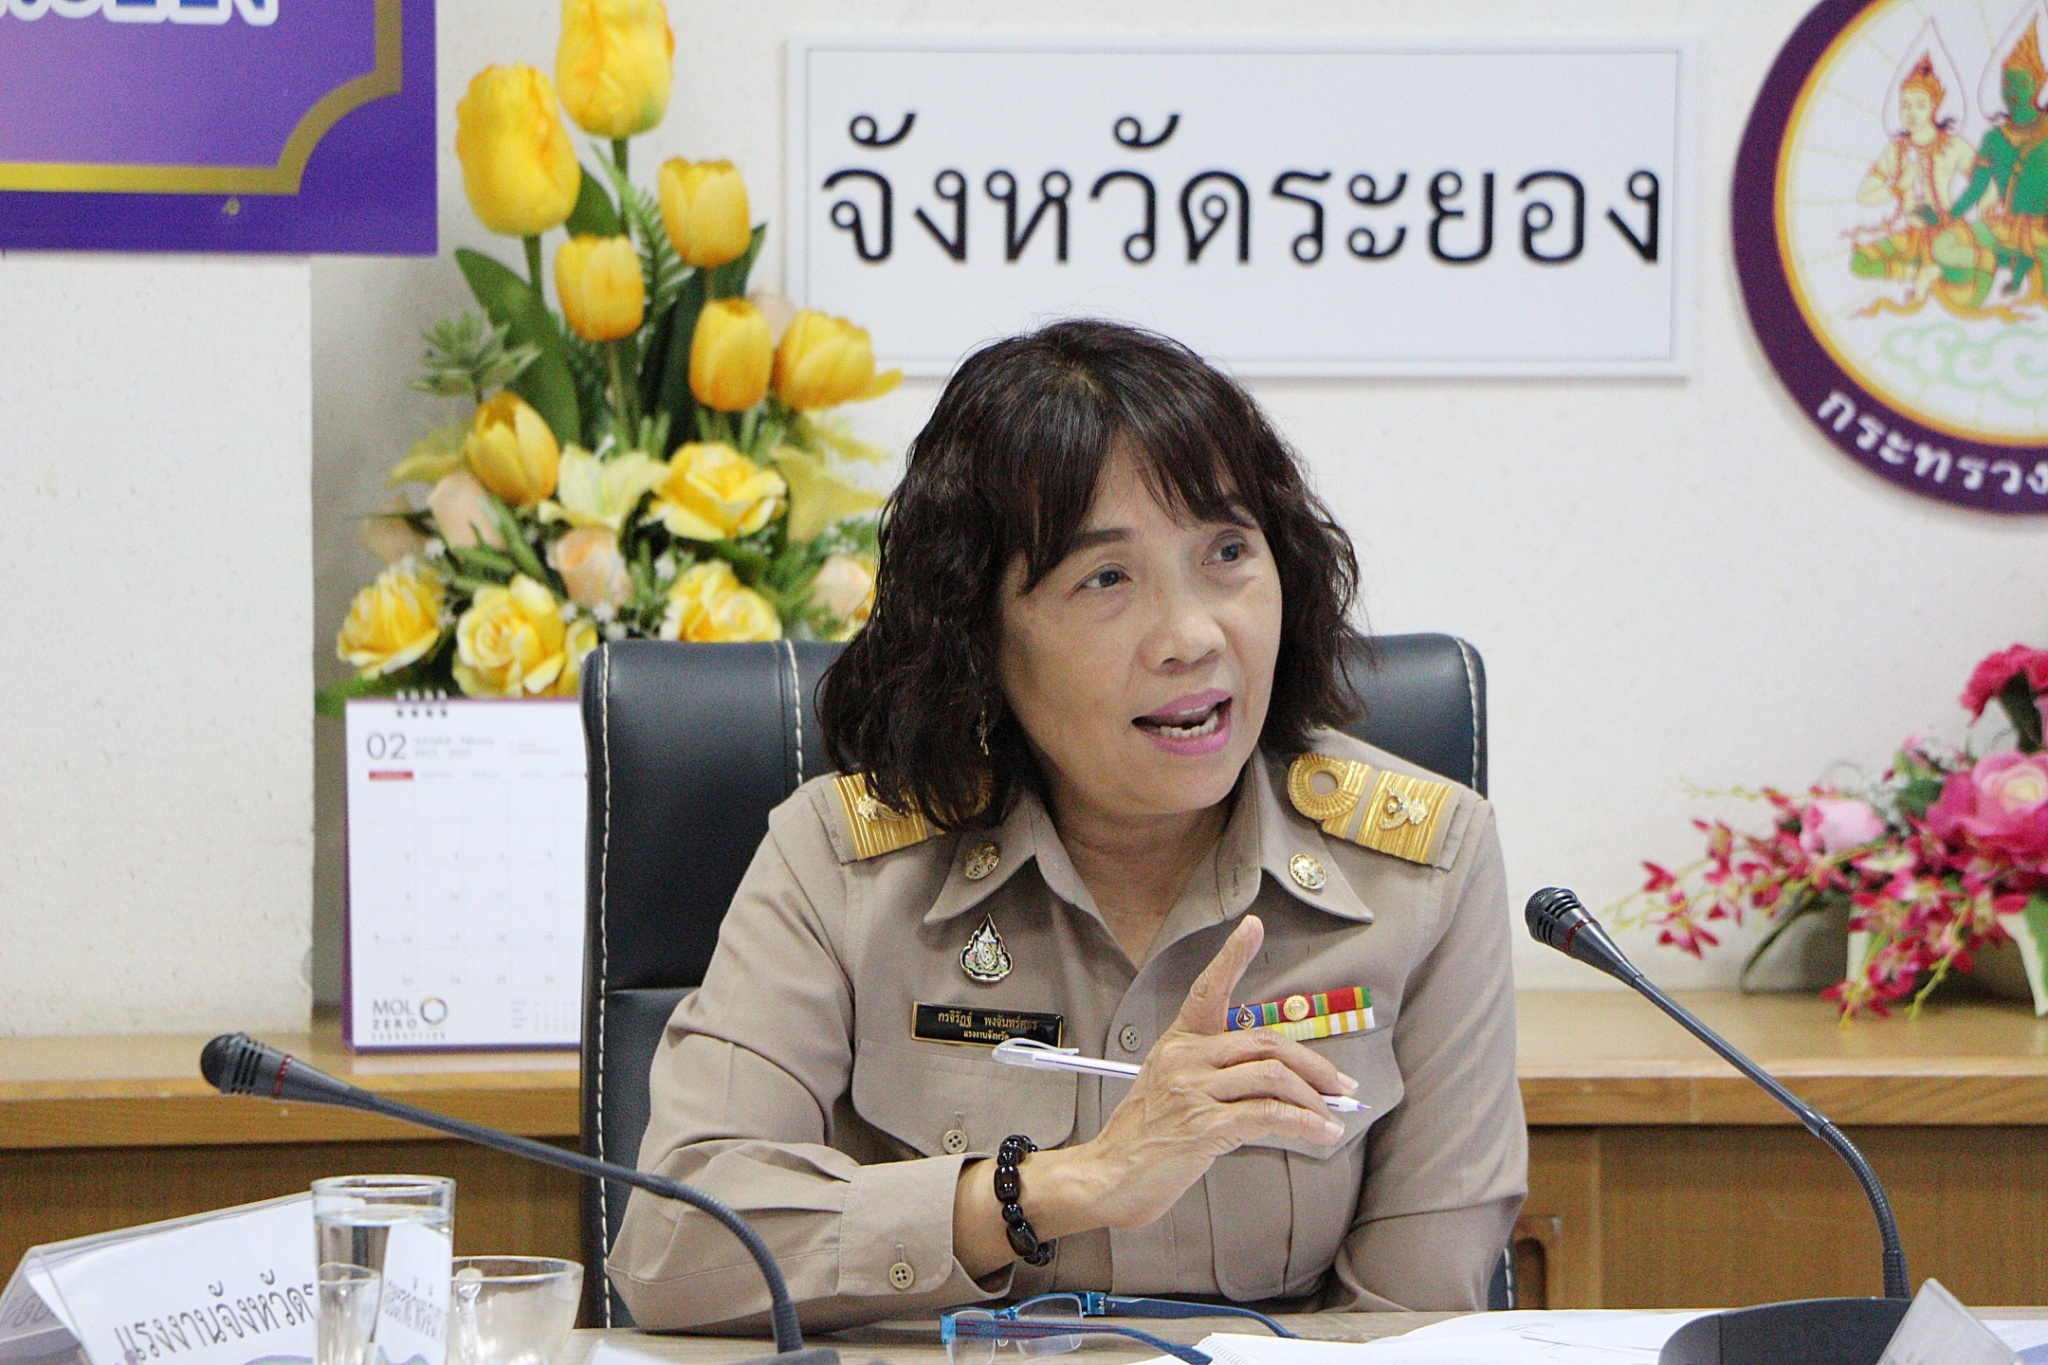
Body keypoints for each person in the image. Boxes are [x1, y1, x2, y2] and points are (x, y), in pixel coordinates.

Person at [608, 320, 1525, 1332]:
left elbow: (1416, 1323)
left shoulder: (1422, 867)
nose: (1191, 637)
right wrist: (1051, 1190)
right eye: (1106, 578)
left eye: (1227, 552)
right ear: (978, 631)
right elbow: (673, 1252)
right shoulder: (842, 864)